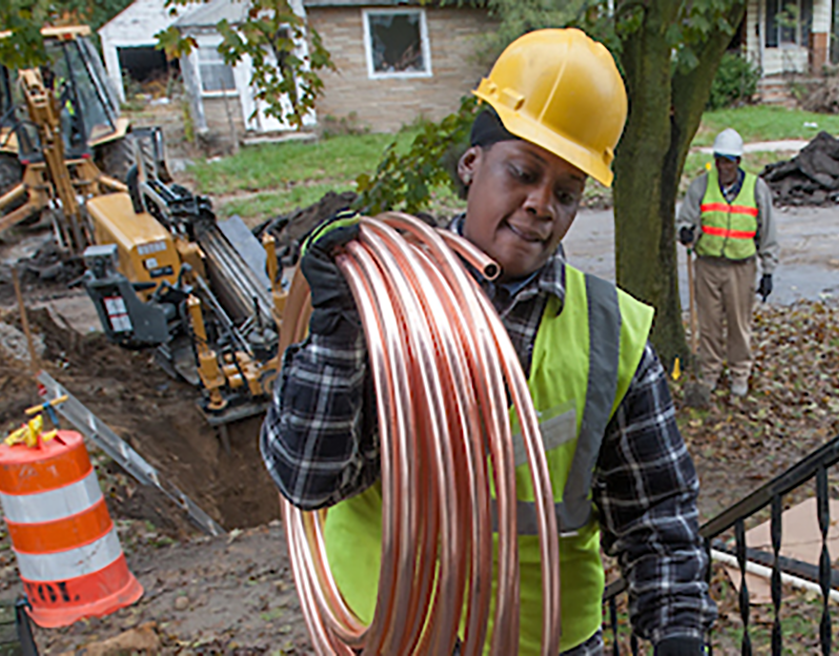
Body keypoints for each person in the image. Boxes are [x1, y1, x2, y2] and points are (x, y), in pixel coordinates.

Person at [261, 28, 714, 655]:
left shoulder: (612, 333)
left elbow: (657, 516)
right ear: (471, 164)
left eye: (566, 192)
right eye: (523, 173)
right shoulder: (383, 305)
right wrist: (340, 340)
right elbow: (309, 478)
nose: (539, 205)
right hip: (392, 638)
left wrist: (679, 635)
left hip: (546, 642)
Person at [675, 128, 778, 406]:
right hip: (707, 264)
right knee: (708, 324)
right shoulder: (701, 185)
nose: (723, 166)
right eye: (719, 160)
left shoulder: (756, 189)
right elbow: (685, 219)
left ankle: (739, 374)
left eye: (728, 161)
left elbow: (767, 232)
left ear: (738, 162)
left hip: (741, 267)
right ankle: (709, 372)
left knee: (738, 324)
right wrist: (686, 232)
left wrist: (768, 271)